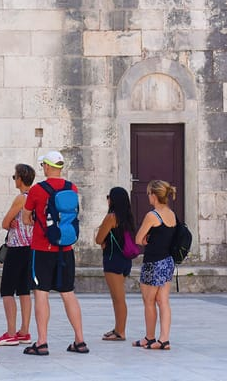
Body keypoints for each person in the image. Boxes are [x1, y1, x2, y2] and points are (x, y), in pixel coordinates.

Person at [21, 150, 88, 356]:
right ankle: (80, 340)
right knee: (68, 293)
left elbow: (25, 218)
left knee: (41, 294)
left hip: (42, 248)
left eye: (43, 166)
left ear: (48, 167)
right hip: (65, 248)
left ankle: (41, 342)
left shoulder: (37, 190)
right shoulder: (72, 188)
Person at [0, 163, 35, 347]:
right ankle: (24, 330)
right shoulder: (37, 196)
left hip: (16, 247)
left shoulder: (21, 198)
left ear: (20, 178)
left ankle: (10, 333)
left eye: (15, 176)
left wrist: (11, 224)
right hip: (31, 247)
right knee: (24, 290)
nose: (14, 179)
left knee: (7, 290)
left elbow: (5, 222)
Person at [133, 180, 177, 350]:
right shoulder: (171, 214)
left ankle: (150, 338)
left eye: (149, 194)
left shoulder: (152, 216)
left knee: (149, 301)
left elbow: (138, 239)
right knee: (163, 301)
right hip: (167, 261)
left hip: (153, 263)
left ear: (154, 195)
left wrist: (147, 239)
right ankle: (164, 339)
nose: (148, 197)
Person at [94, 186, 136, 341]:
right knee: (119, 298)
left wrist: (101, 238)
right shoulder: (128, 217)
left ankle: (120, 332)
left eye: (108, 196)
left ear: (112, 200)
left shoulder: (111, 217)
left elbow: (99, 239)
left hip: (113, 260)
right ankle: (118, 328)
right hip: (125, 260)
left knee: (118, 298)